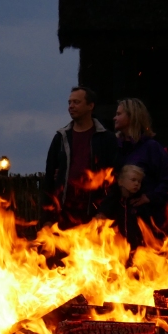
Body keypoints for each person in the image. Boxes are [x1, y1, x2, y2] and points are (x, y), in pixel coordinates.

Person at [42, 86, 118, 228]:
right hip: (64, 215)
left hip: (94, 214)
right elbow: (49, 180)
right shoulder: (60, 138)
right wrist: (47, 218)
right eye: (69, 102)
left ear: (90, 105)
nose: (71, 106)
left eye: (76, 102)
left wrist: (104, 212)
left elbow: (115, 178)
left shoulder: (106, 139)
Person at [112, 98, 168, 232]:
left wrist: (149, 197)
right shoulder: (114, 147)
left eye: (119, 114)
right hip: (117, 223)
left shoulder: (151, 148)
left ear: (132, 116)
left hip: (146, 223)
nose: (114, 118)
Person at [97, 165, 147, 253]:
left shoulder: (139, 201)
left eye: (139, 182)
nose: (136, 184)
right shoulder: (111, 200)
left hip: (136, 248)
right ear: (120, 182)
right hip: (114, 247)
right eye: (133, 180)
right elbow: (102, 218)